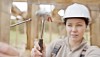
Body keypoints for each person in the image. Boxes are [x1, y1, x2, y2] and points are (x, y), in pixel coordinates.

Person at [31, 3, 100, 57]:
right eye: (70, 25)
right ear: (65, 26)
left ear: (86, 26)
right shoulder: (56, 46)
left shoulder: (92, 52)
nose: (74, 30)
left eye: (79, 25)